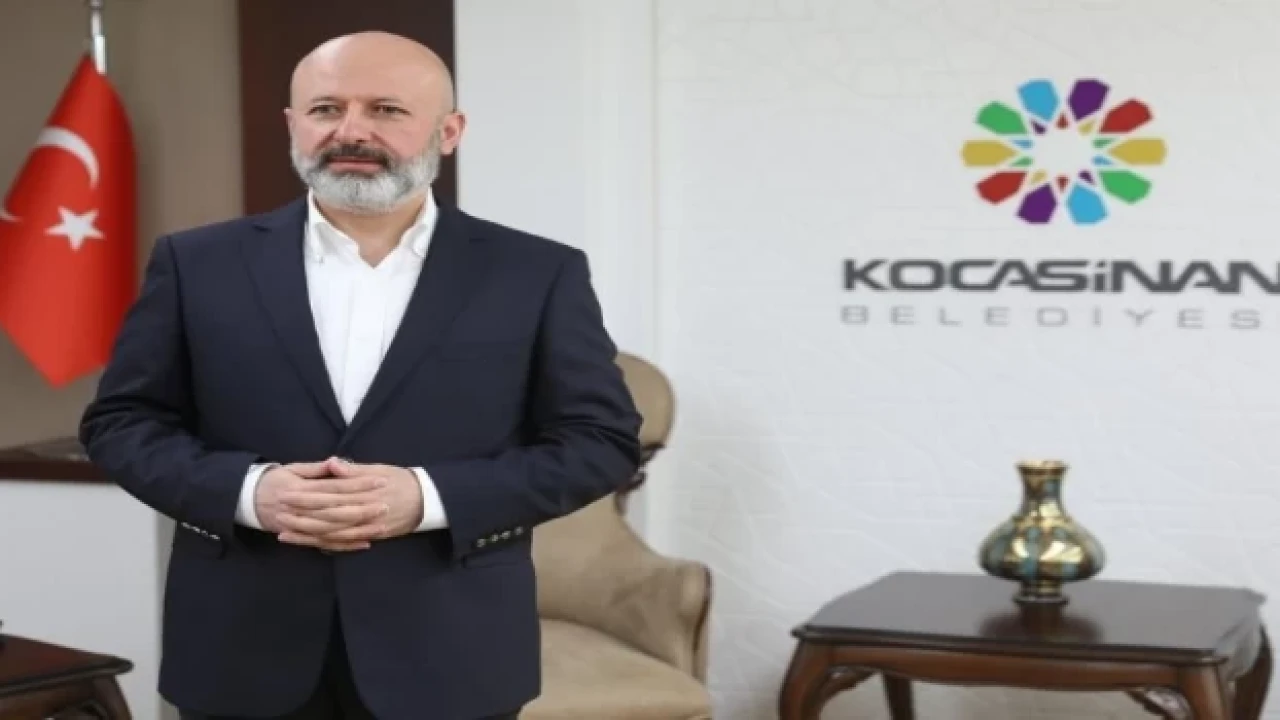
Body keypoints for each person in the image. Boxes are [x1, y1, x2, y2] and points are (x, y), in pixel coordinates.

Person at [78, 30, 642, 720]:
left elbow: (600, 440)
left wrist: (427, 497)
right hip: (240, 655)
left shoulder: (537, 273)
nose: (351, 131)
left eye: (386, 109)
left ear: (450, 131)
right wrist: (250, 493)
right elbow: (121, 423)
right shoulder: (195, 264)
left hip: (453, 657)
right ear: (293, 125)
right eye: (326, 109)